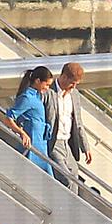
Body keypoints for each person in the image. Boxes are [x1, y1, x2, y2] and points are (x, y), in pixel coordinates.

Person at [43, 62, 92, 194]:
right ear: (63, 77)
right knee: (67, 180)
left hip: (67, 143)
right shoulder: (49, 92)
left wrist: (85, 148)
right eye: (72, 83)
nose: (74, 87)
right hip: (53, 143)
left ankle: (72, 209)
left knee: (75, 177)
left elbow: (78, 123)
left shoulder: (74, 95)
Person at [2, 66, 54, 176]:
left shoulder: (37, 96)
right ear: (38, 81)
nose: (47, 88)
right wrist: (22, 132)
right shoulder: (27, 97)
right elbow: (8, 119)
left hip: (40, 143)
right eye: (47, 84)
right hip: (33, 143)